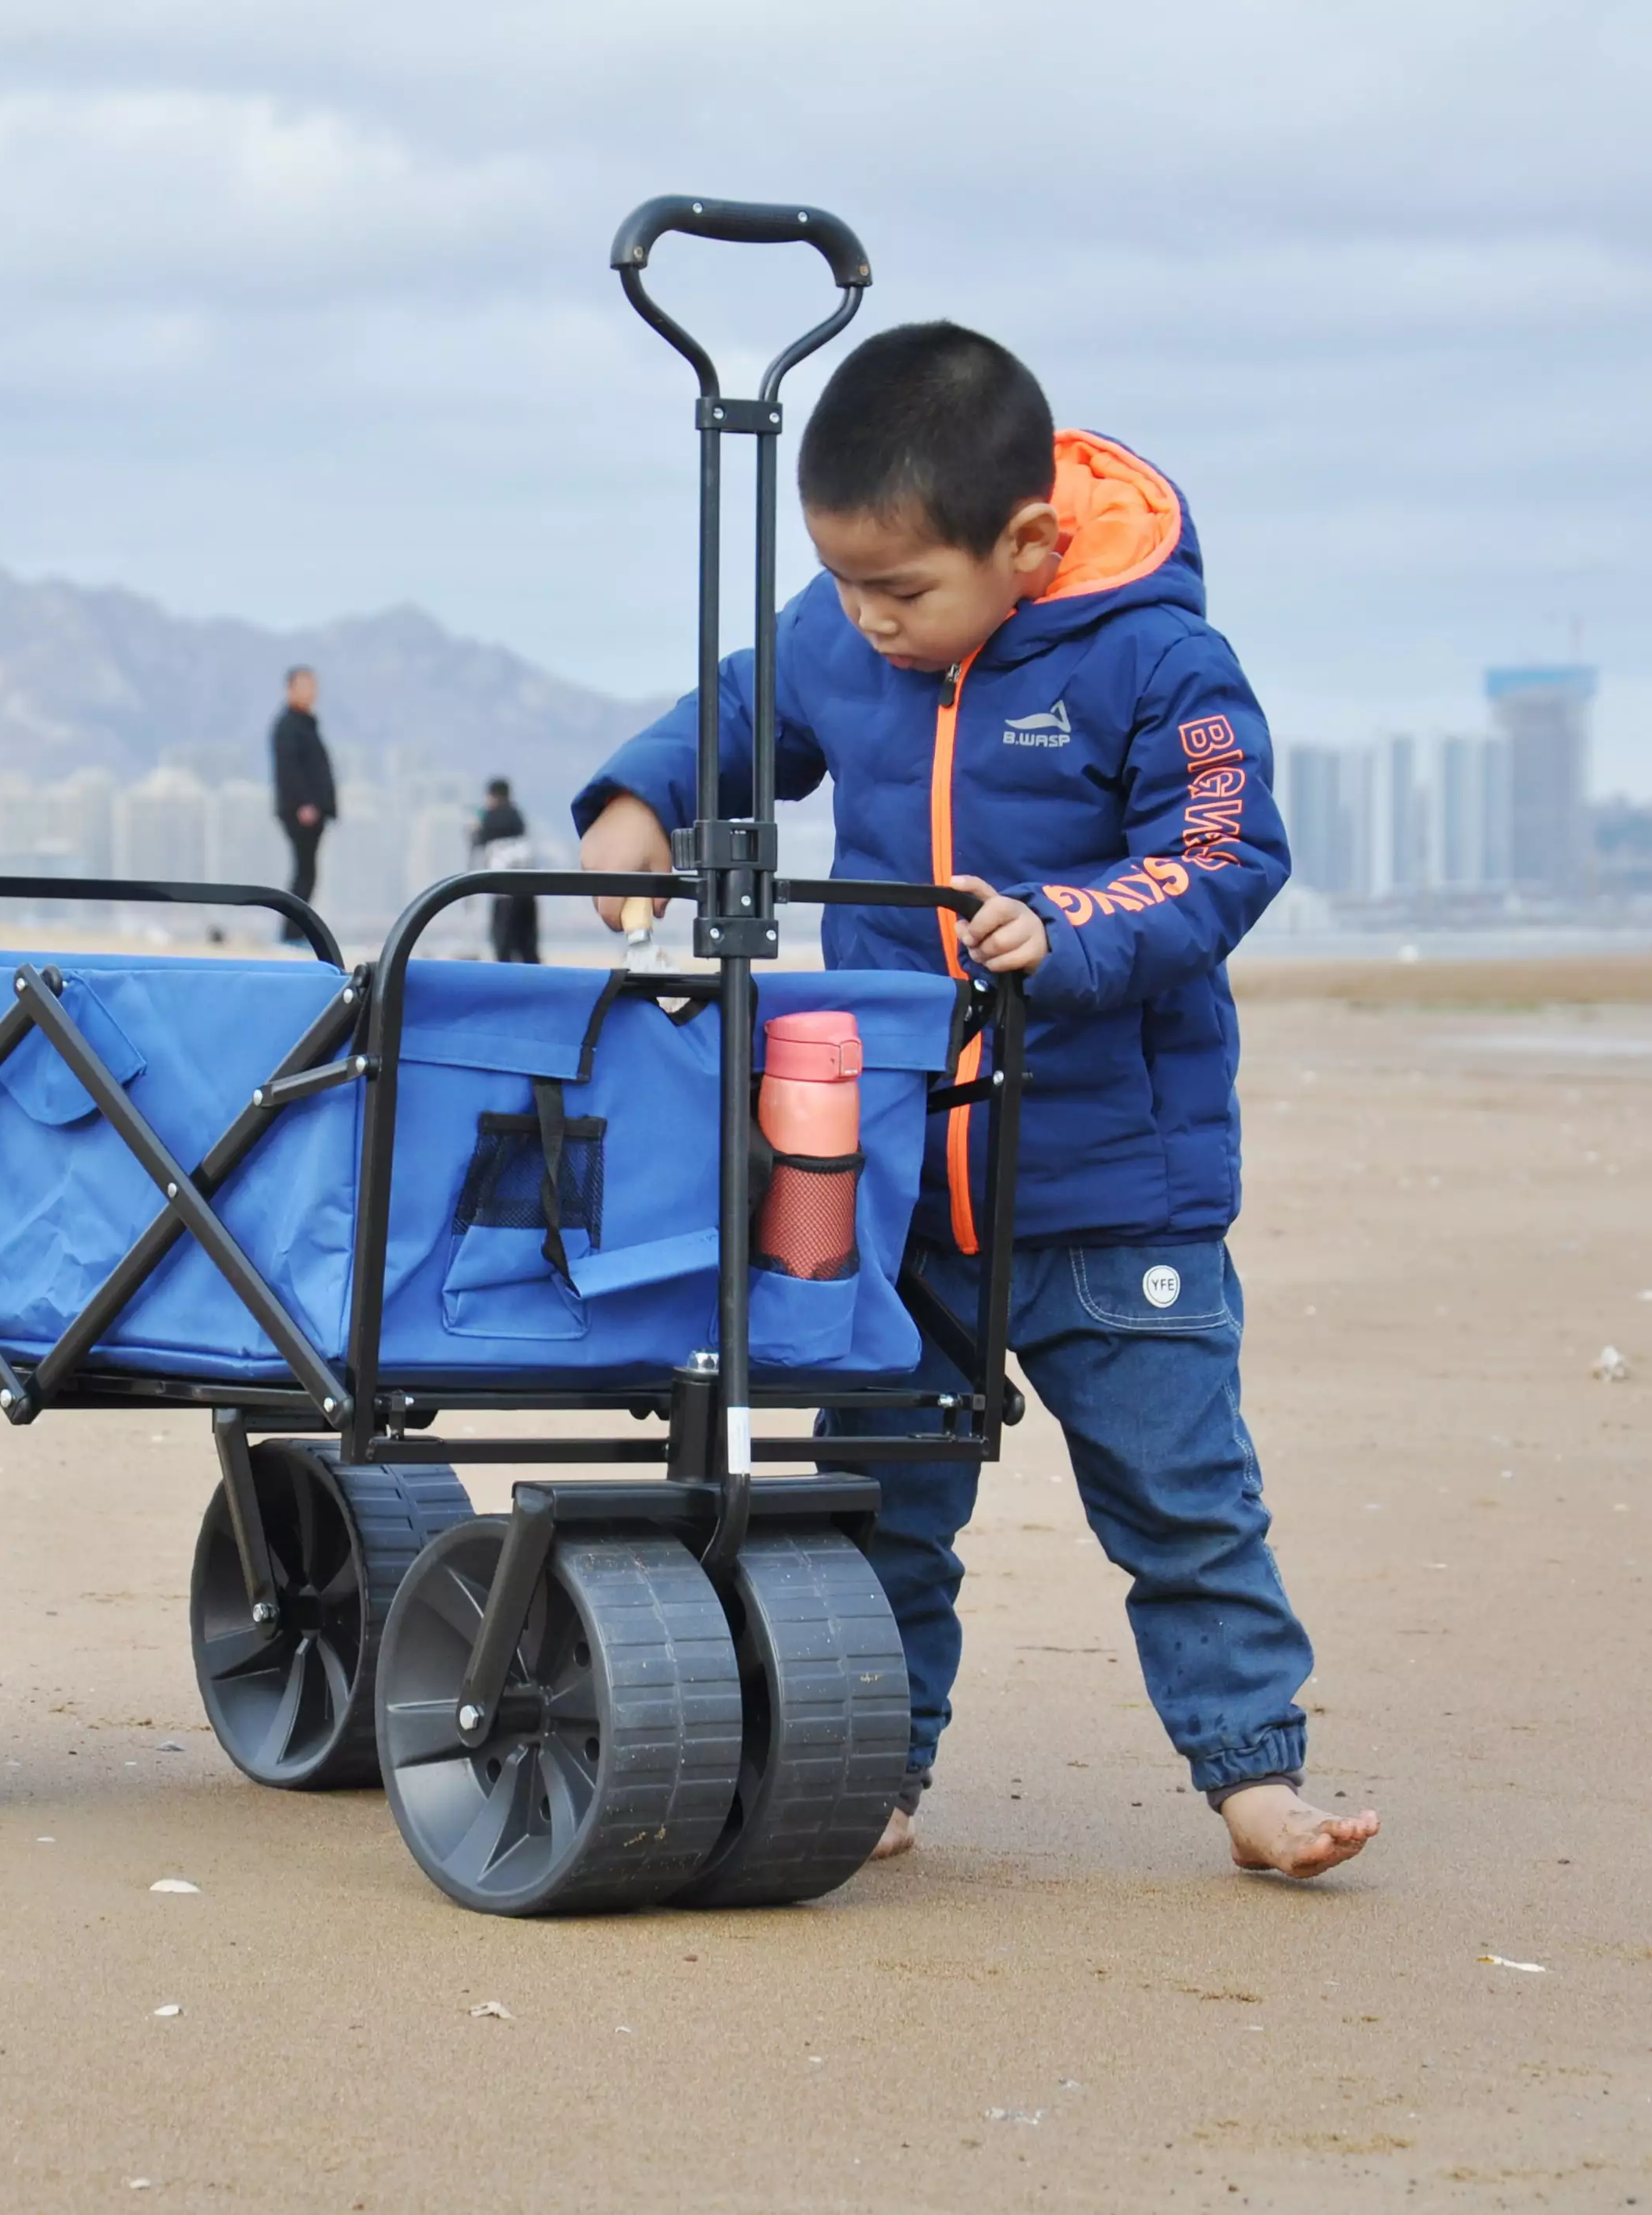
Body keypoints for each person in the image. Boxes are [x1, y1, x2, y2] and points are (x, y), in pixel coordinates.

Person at [576, 320, 1379, 1883]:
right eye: (847, 587)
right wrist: (639, 799)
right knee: (872, 1501)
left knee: (1181, 1497)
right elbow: (742, 701)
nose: (866, 623)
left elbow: (1225, 850)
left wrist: (1070, 924)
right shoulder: (844, 635)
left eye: (900, 591)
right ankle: (870, 1771)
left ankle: (1251, 1774)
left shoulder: (1154, 657)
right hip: (888, 1183)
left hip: (1108, 1189)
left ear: (1022, 543)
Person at [270, 666, 337, 942]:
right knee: (303, 874)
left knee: (308, 874)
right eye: (305, 685)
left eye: (313, 685)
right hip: (301, 813)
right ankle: (290, 934)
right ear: (290, 689)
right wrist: (305, 805)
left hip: (314, 811)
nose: (311, 691)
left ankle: (294, 933)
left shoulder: (308, 723)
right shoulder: (288, 726)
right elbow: (290, 771)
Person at [471, 777, 541, 963]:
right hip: (528, 890)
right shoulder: (517, 816)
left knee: (502, 945)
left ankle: (506, 987)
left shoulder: (490, 817)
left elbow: (478, 840)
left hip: (504, 891)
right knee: (528, 945)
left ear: (492, 796)